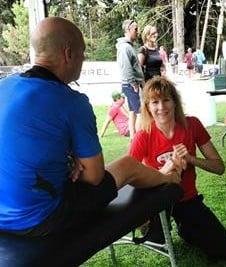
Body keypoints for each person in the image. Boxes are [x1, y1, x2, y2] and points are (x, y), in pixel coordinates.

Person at [0, 17, 181, 237]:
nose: (83, 58)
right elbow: (94, 175)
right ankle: (169, 178)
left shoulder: (5, 86)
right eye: (82, 52)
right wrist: (72, 163)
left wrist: (67, 161)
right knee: (127, 165)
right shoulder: (71, 102)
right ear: (68, 54)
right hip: (41, 218)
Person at [129, 76, 226, 261]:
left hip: (187, 197)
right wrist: (164, 171)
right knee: (157, 239)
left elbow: (219, 167)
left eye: (166, 100)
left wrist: (190, 159)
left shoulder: (192, 124)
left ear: (175, 102)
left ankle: (185, 227)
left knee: (224, 251)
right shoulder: (143, 135)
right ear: (147, 106)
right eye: (155, 102)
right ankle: (151, 224)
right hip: (158, 199)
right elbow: (131, 176)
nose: (161, 107)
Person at [116, 19, 144, 139]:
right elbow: (126, 67)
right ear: (128, 30)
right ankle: (139, 140)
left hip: (131, 84)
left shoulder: (128, 46)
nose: (137, 32)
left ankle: (133, 139)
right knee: (140, 113)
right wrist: (133, 83)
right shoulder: (125, 48)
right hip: (131, 84)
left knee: (133, 112)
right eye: (135, 29)